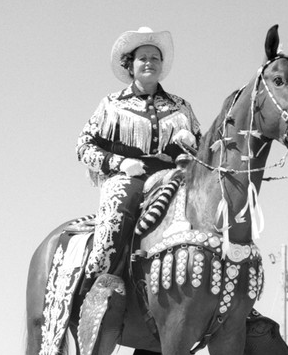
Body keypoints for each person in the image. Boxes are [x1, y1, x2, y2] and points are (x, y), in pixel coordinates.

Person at [76, 27, 201, 291]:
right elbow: (84, 146)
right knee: (117, 213)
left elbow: (203, 152)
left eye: (155, 58)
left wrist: (191, 144)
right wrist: (118, 163)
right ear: (130, 65)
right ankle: (99, 284)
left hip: (174, 176)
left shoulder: (181, 107)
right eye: (143, 57)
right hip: (126, 177)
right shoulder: (112, 105)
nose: (149, 63)